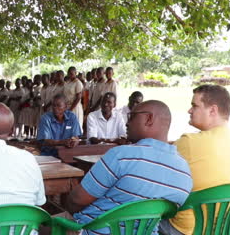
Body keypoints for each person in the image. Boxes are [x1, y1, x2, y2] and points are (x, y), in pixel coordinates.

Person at [66, 100, 193, 235]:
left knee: (46, 223)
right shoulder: (184, 173)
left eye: (131, 116)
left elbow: (76, 201)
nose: (127, 123)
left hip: (91, 230)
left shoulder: (122, 155)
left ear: (149, 119)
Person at [160, 85, 230, 235]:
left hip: (188, 230)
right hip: (229, 229)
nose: (189, 110)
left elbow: (157, 177)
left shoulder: (188, 142)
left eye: (194, 106)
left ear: (213, 110)